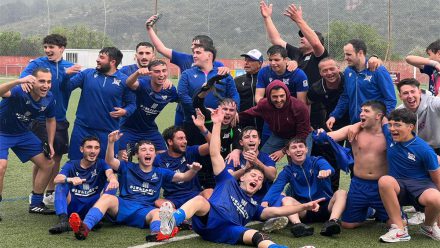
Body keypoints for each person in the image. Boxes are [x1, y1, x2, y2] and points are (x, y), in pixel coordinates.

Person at [154, 107, 324, 247]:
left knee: (257, 236)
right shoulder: (227, 180)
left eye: (259, 180)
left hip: (228, 230)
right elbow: (214, 153)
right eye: (253, 176)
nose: (257, 179)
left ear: (259, 188)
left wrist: (304, 206)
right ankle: (171, 222)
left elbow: (277, 211)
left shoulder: (254, 205)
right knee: (200, 201)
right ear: (242, 177)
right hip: (209, 218)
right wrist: (217, 124)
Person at [68, 130, 202, 240]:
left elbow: (184, 177)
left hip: (144, 211)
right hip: (123, 206)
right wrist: (111, 143)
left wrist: (193, 170)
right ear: (137, 154)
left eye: (151, 150)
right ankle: (84, 228)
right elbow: (109, 160)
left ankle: (157, 234)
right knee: (107, 198)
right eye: (143, 150)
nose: (148, 152)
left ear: (155, 155)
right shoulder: (127, 166)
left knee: (158, 213)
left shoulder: (161, 172)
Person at [20, 34, 81, 206]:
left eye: (51, 47)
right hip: (38, 118)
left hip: (59, 119)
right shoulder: (37, 64)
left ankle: (51, 192)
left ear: (62, 48)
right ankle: (36, 193)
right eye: (45, 46)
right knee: (43, 158)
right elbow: (25, 79)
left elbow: (84, 81)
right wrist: (26, 81)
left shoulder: (71, 67)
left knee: (56, 156)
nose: (47, 50)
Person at [145, 14, 226, 126]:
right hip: (184, 112)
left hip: (209, 114)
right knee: (179, 140)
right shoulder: (184, 58)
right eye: (192, 44)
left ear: (208, 48)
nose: (192, 47)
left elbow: (227, 89)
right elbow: (161, 48)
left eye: (196, 44)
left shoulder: (218, 66)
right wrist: (149, 29)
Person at [318, 100, 389, 228]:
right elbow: (327, 138)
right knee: (347, 225)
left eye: (366, 111)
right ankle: (369, 211)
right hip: (359, 184)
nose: (361, 113)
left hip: (381, 185)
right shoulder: (352, 130)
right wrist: (320, 134)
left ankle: (378, 209)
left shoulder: (389, 134)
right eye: (361, 110)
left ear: (378, 116)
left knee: (396, 223)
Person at [262, 138, 347, 237]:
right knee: (286, 199)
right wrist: (265, 201)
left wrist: (326, 171)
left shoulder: (317, 161)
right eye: (294, 147)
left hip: (326, 207)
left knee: (341, 192)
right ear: (288, 152)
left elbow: (328, 168)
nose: (298, 150)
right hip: (305, 209)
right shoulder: (287, 171)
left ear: (306, 149)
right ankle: (298, 226)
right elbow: (276, 187)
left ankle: (332, 222)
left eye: (301, 146)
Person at [378, 108, 440, 242]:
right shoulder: (390, 136)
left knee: (436, 197)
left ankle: (428, 226)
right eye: (391, 125)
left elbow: (438, 181)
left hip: (421, 187)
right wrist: (355, 125)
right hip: (399, 186)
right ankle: (399, 229)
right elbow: (380, 117)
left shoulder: (425, 149)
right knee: (385, 180)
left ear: (410, 127)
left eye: (397, 125)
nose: (392, 129)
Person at [0, 68, 56, 215]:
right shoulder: (20, 90)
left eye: (49, 81)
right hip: (1, 133)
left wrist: (50, 143)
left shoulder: (49, 98)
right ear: (32, 81)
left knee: (48, 163)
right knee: (1, 166)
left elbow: (51, 120)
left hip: (23, 134)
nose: (46, 85)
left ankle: (36, 204)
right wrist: (18, 81)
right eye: (42, 81)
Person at [65, 47, 136, 160]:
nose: (97, 59)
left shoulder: (124, 80)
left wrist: (125, 111)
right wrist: (66, 75)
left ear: (112, 62)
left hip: (108, 132)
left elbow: (132, 104)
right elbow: (67, 87)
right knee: (76, 162)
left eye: (102, 57)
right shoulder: (87, 74)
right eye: (98, 56)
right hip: (82, 128)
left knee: (106, 167)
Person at [48, 136, 118, 234]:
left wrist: (113, 179)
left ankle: (96, 218)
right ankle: (63, 221)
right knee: (61, 185)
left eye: (96, 148)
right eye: (89, 147)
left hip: (94, 205)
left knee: (111, 184)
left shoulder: (101, 163)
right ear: (82, 149)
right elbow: (56, 179)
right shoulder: (71, 164)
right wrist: (71, 179)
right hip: (74, 205)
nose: (93, 151)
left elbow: (110, 173)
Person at [395, 78, 440, 225]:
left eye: (413, 91)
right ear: (400, 95)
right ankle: (420, 209)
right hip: (416, 150)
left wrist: (435, 65)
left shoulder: (433, 103)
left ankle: (434, 217)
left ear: (419, 91)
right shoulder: (400, 112)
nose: (410, 96)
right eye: (405, 93)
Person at [327, 39, 396, 130]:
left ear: (360, 53)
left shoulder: (378, 70)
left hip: (374, 127)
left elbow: (390, 99)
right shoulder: (348, 72)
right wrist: (334, 115)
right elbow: (346, 97)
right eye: (345, 54)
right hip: (355, 125)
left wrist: (382, 122)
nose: (345, 57)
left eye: (348, 54)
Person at [178, 43, 239, 146]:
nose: (194, 55)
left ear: (209, 56)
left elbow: (234, 95)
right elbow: (183, 96)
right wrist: (204, 111)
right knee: (195, 156)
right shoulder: (187, 74)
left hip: (218, 124)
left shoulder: (223, 74)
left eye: (198, 53)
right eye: (194, 53)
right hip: (193, 123)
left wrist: (235, 109)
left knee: (217, 154)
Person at [239, 80, 310, 162]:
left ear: (287, 94)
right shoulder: (264, 104)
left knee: (300, 161)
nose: (279, 100)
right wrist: (234, 117)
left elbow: (302, 133)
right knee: (261, 160)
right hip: (279, 135)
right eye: (275, 97)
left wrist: (283, 151)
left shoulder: (299, 107)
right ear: (269, 96)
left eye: (282, 96)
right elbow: (249, 113)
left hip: (299, 136)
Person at [307, 57, 350, 191]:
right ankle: (330, 194)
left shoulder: (348, 80)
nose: (329, 73)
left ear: (339, 68)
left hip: (352, 123)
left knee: (356, 159)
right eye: (325, 70)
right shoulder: (316, 88)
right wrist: (310, 124)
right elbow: (308, 103)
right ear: (320, 73)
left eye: (332, 69)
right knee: (330, 159)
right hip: (330, 125)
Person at [119, 60, 179, 156]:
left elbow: (180, 99)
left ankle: (135, 148)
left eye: (164, 71)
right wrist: (137, 73)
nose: (161, 74)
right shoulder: (143, 84)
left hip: (149, 130)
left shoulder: (170, 90)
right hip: (128, 128)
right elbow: (129, 83)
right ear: (150, 74)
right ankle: (132, 149)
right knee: (122, 157)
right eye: (157, 71)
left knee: (163, 157)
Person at [153, 124, 210, 209]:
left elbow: (213, 146)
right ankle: (181, 217)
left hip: (195, 196)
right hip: (173, 199)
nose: (185, 141)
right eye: (180, 138)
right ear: (170, 142)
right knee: (159, 203)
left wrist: (202, 127)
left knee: (209, 192)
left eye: (185, 138)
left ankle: (181, 216)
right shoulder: (159, 159)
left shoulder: (190, 151)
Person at [225, 126, 277, 204]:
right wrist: (245, 169)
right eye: (247, 137)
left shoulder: (266, 157)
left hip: (263, 200)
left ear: (259, 141)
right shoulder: (233, 157)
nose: (251, 140)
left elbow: (272, 175)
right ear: (241, 142)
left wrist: (257, 162)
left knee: (282, 196)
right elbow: (227, 178)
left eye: (254, 137)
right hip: (238, 199)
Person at [234, 49, 264, 132]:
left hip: (264, 123)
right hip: (243, 123)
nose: (246, 63)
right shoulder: (237, 80)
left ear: (260, 63)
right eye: (246, 60)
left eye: (250, 60)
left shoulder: (266, 79)